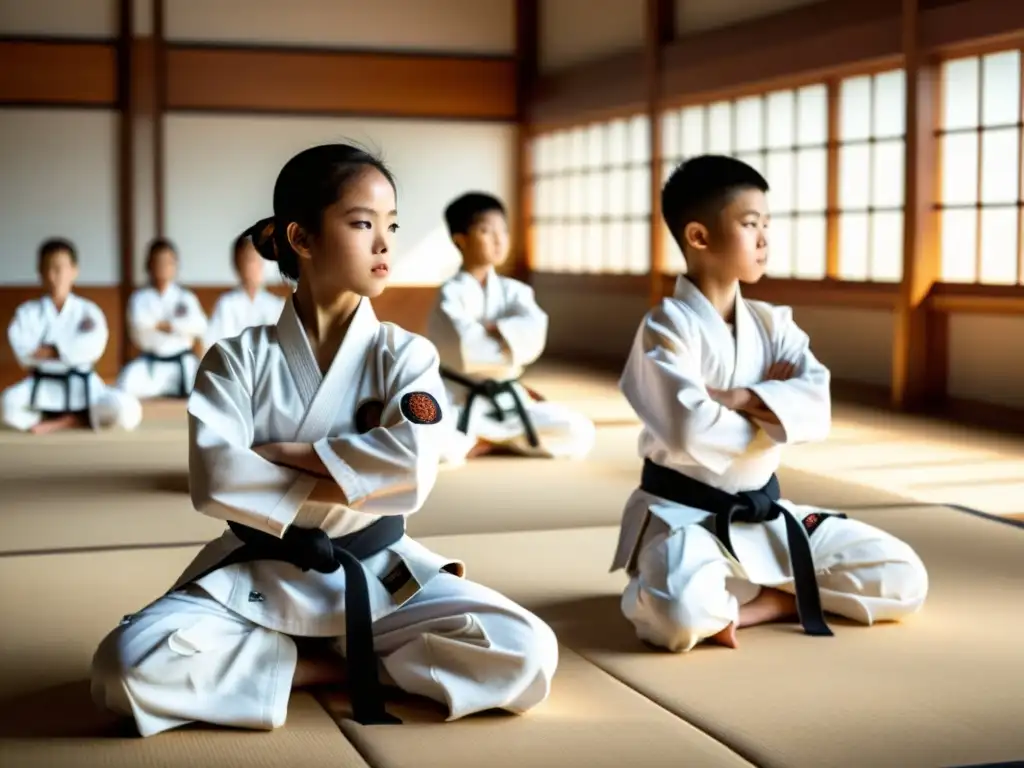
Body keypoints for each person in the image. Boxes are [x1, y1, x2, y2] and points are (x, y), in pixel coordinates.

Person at [90, 144, 559, 737]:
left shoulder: (407, 355)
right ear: (303, 240)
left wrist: (289, 455)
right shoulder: (235, 361)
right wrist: (355, 473)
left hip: (378, 569)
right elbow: (215, 479)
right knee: (122, 668)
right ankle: (323, 665)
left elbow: (414, 467)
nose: (385, 244)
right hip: (262, 574)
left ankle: (314, 662)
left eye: (391, 225)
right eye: (363, 224)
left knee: (528, 650)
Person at [610, 155, 929, 653]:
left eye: (767, 225)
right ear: (699, 237)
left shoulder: (773, 324)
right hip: (683, 516)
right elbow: (687, 430)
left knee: (904, 576)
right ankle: (755, 591)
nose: (764, 240)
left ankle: (764, 602)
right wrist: (772, 413)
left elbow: (816, 405)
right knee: (676, 619)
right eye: (750, 224)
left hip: (765, 511)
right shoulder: (666, 327)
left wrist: (738, 398)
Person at [426, 192, 596, 463]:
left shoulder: (515, 291)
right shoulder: (451, 293)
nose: (498, 239)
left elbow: (534, 336)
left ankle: (487, 441)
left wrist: (497, 331)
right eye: (486, 230)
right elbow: (463, 347)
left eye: (503, 230)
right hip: (459, 400)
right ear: (461, 240)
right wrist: (509, 336)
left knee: (580, 431)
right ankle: (495, 440)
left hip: (507, 402)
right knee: (429, 442)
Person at [2, 238, 142, 434]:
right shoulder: (28, 312)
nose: (54, 276)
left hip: (82, 384)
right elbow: (23, 351)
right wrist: (66, 350)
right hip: (42, 384)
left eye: (60, 268)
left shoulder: (88, 311)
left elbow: (93, 347)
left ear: (74, 271)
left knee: (128, 410)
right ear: (40, 273)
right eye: (48, 269)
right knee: (7, 406)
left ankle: (67, 421)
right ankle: (72, 418)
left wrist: (53, 351)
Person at [116, 238, 208, 399]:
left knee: (210, 385)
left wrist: (164, 325)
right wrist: (176, 327)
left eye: (168, 262)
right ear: (149, 265)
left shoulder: (186, 297)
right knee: (125, 383)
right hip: (151, 364)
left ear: (175, 266)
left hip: (183, 362)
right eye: (158, 262)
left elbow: (200, 326)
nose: (163, 267)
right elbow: (139, 326)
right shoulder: (139, 298)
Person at [202, 234, 287, 351]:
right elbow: (214, 344)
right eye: (250, 260)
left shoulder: (277, 305)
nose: (256, 266)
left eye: (260, 260)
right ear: (237, 264)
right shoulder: (226, 304)